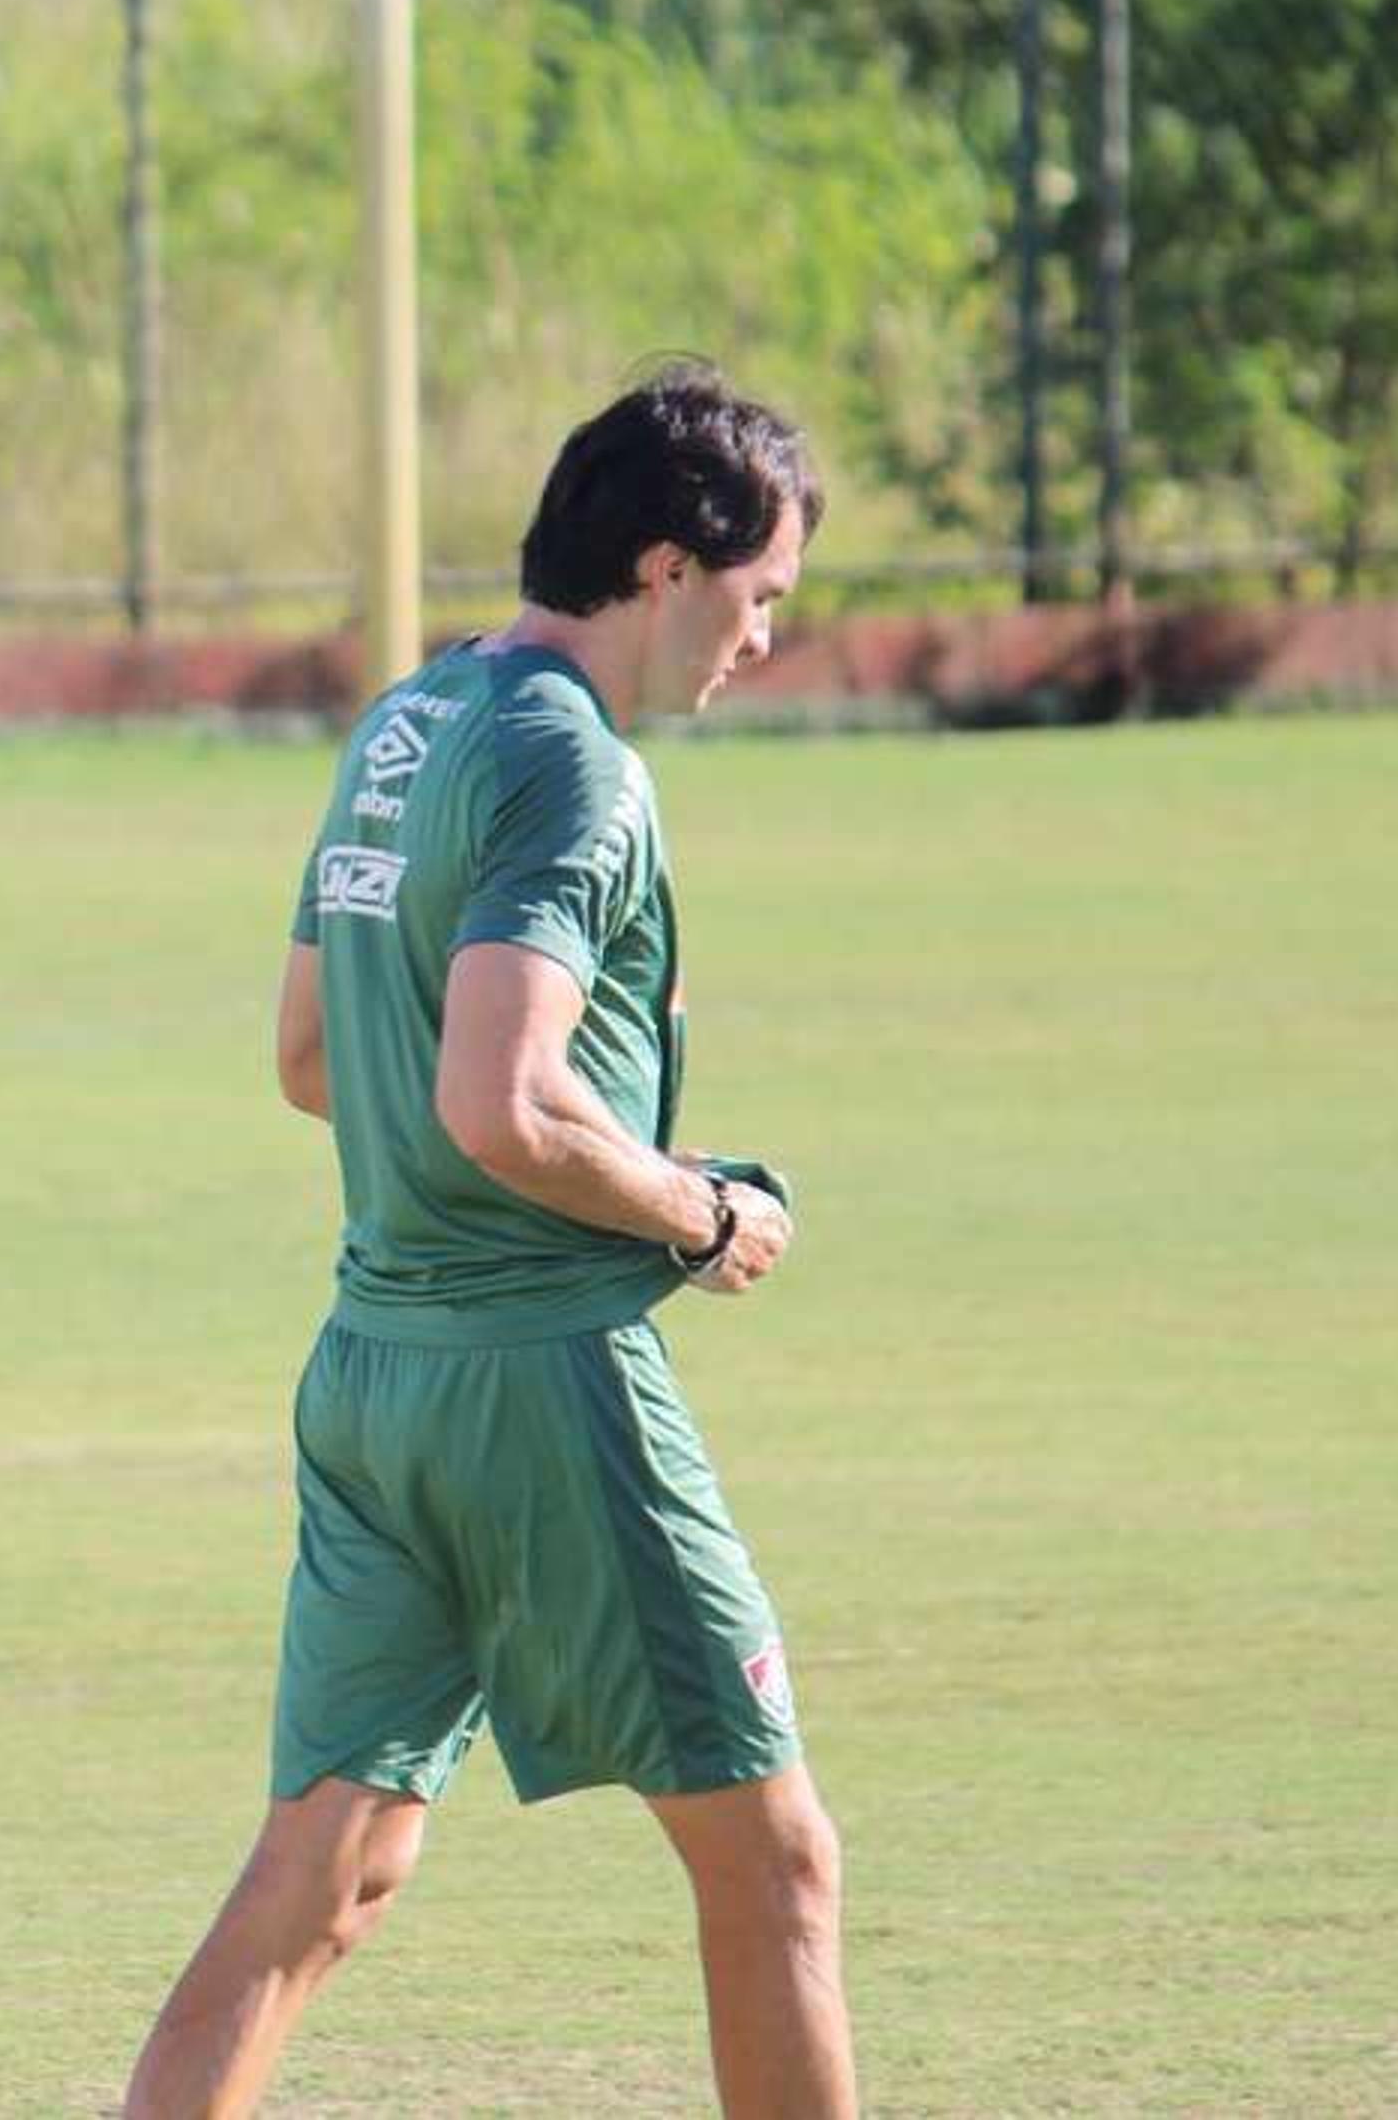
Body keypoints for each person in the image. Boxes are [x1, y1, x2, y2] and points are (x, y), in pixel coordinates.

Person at [122, 367, 856, 2120]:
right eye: (761, 599)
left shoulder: (414, 714)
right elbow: (503, 1103)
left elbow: (313, 1056)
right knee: (778, 1867)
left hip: (373, 1369)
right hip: (543, 1383)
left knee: (326, 1882)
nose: (764, 640)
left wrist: (554, 1139)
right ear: (671, 565)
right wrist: (700, 1206)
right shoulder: (571, 765)